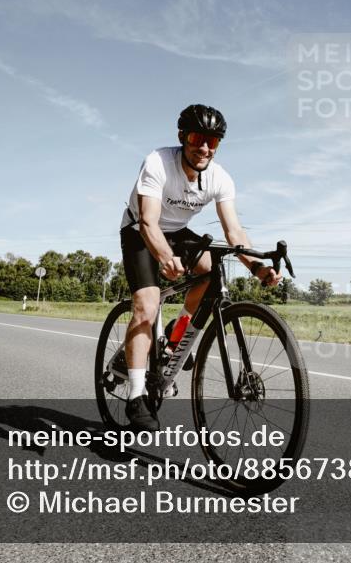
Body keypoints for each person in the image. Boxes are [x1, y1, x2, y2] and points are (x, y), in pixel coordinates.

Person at [119, 104, 281, 432]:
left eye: (213, 141)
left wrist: (257, 268)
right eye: (197, 138)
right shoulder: (158, 162)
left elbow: (234, 232)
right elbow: (149, 221)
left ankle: (174, 336)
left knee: (210, 272)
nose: (204, 147)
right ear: (182, 137)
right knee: (147, 306)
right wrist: (165, 257)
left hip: (179, 232)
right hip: (140, 231)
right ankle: (136, 396)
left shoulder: (220, 178)